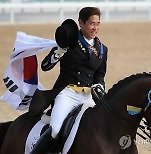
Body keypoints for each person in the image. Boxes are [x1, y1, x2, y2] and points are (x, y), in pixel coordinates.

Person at [31, 7, 108, 154]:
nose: (96, 28)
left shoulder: (102, 49)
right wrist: (58, 53)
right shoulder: (68, 41)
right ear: (81, 23)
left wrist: (100, 85)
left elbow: (100, 75)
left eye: (98, 23)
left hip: (87, 97)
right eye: (92, 24)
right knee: (55, 130)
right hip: (67, 94)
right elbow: (45, 66)